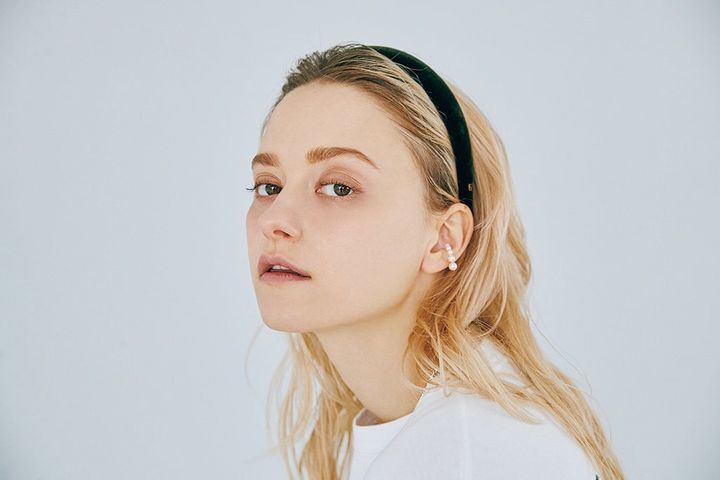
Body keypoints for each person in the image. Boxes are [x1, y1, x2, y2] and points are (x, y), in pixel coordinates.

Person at [245, 41, 624, 480]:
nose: (274, 220)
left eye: (339, 188)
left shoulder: (473, 452)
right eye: (269, 186)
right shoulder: (436, 435)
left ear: (444, 237)